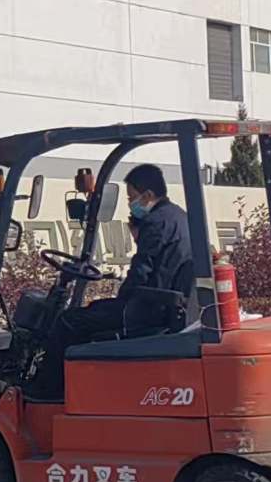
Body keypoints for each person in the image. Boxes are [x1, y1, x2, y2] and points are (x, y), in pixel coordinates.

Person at [29, 163, 193, 399]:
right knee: (94, 311)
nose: (131, 203)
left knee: (68, 321)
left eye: (132, 198)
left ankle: (45, 392)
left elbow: (142, 271)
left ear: (148, 195)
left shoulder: (156, 223)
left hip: (147, 308)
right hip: (164, 305)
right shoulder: (180, 217)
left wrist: (120, 299)